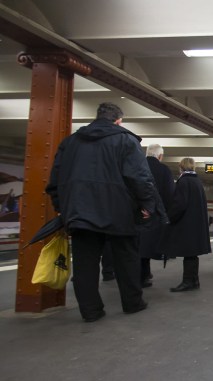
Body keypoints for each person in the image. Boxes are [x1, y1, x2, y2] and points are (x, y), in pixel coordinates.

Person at [46, 102, 158, 322]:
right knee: (126, 259)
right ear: (119, 120)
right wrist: (147, 204)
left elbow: (56, 179)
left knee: (84, 263)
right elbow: (139, 177)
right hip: (119, 210)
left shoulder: (70, 143)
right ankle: (132, 303)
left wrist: (62, 206)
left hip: (79, 211)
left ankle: (90, 311)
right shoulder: (126, 140)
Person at [161, 158, 212, 292]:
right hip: (196, 224)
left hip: (187, 224)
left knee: (188, 253)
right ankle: (194, 280)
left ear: (181, 167)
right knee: (192, 254)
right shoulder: (197, 181)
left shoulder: (183, 181)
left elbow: (179, 204)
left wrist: (169, 217)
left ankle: (188, 281)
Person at [138, 143, 174, 288]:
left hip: (137, 214)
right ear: (160, 156)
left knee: (138, 246)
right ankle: (144, 276)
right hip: (156, 215)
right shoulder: (164, 170)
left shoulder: (137, 166)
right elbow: (170, 194)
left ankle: (142, 274)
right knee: (148, 246)